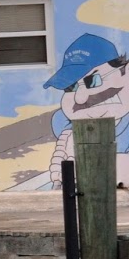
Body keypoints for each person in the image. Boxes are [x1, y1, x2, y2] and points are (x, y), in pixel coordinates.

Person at [47, 32, 129, 186]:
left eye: (93, 81)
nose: (81, 97)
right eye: (71, 87)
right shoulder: (68, 130)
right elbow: (60, 168)